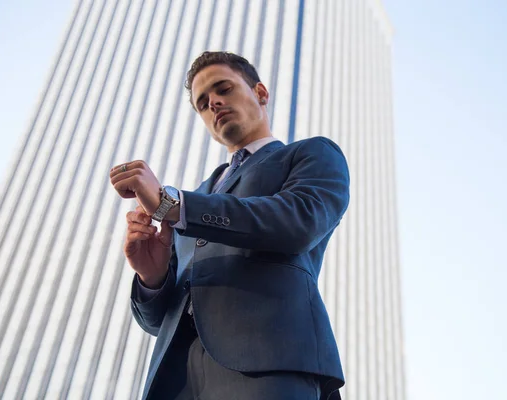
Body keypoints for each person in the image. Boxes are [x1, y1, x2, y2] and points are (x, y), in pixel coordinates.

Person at [109, 51, 350, 400]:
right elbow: (157, 321)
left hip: (269, 366)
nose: (214, 103)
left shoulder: (312, 154)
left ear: (261, 93)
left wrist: (171, 204)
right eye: (203, 103)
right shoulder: (201, 194)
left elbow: (297, 222)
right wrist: (152, 277)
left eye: (224, 89)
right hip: (176, 381)